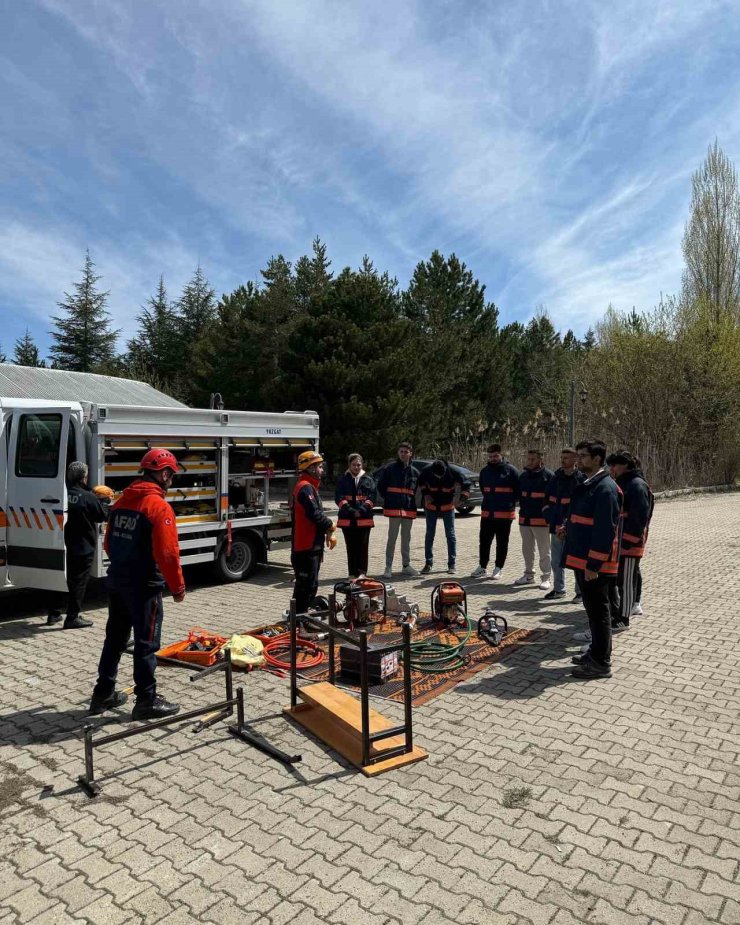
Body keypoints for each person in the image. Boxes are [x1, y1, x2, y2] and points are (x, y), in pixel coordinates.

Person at [89, 448, 186, 718]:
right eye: (171, 475)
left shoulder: (121, 502)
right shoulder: (158, 506)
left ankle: (103, 693)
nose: (171, 480)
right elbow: (167, 553)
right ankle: (146, 700)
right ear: (164, 473)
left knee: (115, 639)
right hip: (144, 587)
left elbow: (108, 543)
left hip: (118, 581)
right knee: (146, 643)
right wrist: (177, 587)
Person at [564, 439, 622, 679]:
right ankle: (595, 652)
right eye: (578, 454)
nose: (579, 459)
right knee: (592, 611)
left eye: (583, 455)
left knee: (599, 613)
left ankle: (601, 662)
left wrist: (594, 564)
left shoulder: (606, 488)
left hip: (594, 564)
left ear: (597, 459)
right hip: (583, 560)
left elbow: (604, 531)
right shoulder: (589, 483)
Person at [47, 461, 109, 629]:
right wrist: (105, 501)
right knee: (78, 581)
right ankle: (72, 617)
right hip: (82, 547)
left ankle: (54, 613)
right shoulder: (88, 497)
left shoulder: (62, 494)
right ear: (84, 478)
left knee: (60, 577)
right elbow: (101, 516)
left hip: (61, 543)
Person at [606, 451, 654, 631]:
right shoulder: (623, 482)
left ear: (625, 465)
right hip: (619, 543)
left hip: (630, 545)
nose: (611, 469)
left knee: (626, 583)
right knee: (619, 581)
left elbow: (639, 519)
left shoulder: (637, 485)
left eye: (614, 465)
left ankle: (622, 620)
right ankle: (617, 613)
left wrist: (627, 542)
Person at [291, 451, 336, 614]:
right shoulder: (305, 488)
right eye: (320, 467)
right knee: (305, 587)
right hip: (305, 547)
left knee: (311, 585)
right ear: (310, 468)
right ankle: (297, 621)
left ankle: (302, 618)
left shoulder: (309, 487)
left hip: (311, 546)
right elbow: (315, 514)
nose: (322, 470)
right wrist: (330, 525)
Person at [471, 444, 519, 579]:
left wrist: (509, 504)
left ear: (501, 455)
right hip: (487, 514)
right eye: (490, 456)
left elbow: (517, 492)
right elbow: (483, 489)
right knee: (484, 542)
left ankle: (498, 568)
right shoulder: (484, 471)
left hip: (504, 515)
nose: (492, 459)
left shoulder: (511, 471)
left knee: (502, 543)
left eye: (495, 456)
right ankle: (482, 567)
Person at [543, 448, 585, 601]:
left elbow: (582, 505)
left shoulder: (581, 479)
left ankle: (580, 592)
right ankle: (559, 590)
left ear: (575, 460)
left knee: (576, 560)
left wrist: (569, 524)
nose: (563, 460)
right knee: (556, 561)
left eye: (566, 458)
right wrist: (550, 518)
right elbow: (547, 500)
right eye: (562, 457)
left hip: (574, 528)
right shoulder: (555, 478)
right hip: (556, 526)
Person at [418, 458, 471, 575]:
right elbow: (420, 482)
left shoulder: (453, 471)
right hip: (431, 507)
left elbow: (467, 484)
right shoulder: (427, 470)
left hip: (448, 507)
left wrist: (462, 499)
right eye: (437, 476)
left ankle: (452, 564)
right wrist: (426, 494)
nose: (439, 478)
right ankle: (428, 564)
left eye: (441, 476)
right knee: (429, 534)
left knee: (450, 535)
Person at [378, 442, 420, 579]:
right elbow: (381, 487)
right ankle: (388, 566)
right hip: (394, 509)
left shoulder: (415, 472)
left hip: (408, 509)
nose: (403, 454)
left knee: (406, 539)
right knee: (392, 539)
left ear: (410, 453)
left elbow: (417, 491)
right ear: (398, 453)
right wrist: (390, 499)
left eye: (406, 451)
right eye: (401, 451)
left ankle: (406, 566)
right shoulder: (390, 469)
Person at [514, 449, 554, 590]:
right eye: (528, 459)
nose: (529, 461)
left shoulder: (549, 476)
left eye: (533, 459)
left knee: (544, 550)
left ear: (540, 460)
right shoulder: (523, 476)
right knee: (527, 550)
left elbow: (552, 498)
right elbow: (519, 495)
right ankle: (528, 575)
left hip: (542, 521)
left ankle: (546, 578)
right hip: (525, 519)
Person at [335, 453, 376, 578]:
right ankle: (352, 573)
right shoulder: (343, 479)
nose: (356, 467)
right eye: (354, 465)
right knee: (351, 547)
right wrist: (351, 510)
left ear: (362, 465)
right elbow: (339, 498)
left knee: (363, 548)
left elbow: (372, 497)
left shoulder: (368, 479)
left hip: (364, 519)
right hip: (348, 519)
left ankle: (362, 573)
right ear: (349, 465)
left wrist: (362, 509)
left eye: (359, 465)